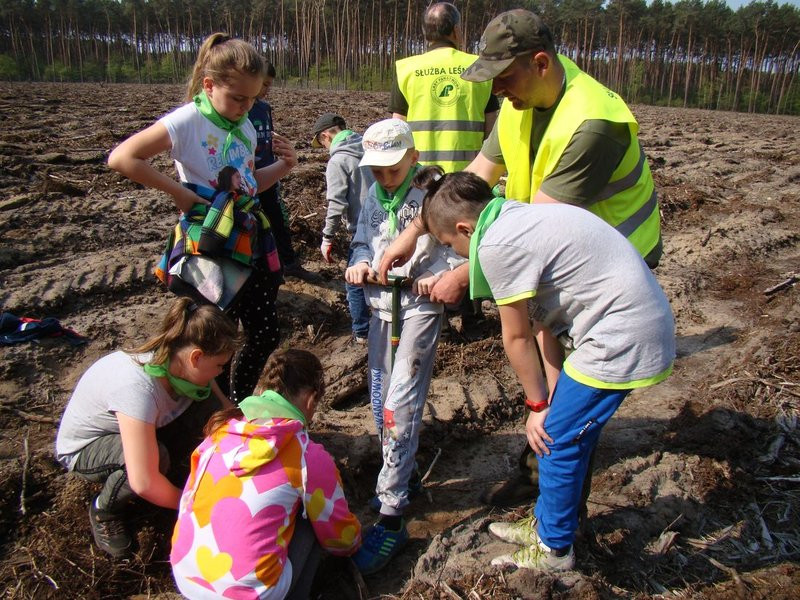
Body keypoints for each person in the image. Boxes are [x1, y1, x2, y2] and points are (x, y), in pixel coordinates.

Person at [379, 8, 665, 507]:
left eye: (503, 79)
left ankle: (555, 489)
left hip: (609, 270)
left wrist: (464, 274)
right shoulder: (519, 101)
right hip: (552, 254)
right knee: (548, 359)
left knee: (575, 387)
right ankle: (546, 468)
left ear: (539, 63)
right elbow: (478, 175)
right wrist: (418, 228)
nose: (498, 92)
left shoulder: (592, 122)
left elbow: (533, 235)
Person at [414, 166, 675, 571]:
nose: (456, 257)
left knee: (555, 439)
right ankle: (548, 522)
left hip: (620, 336)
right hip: (616, 325)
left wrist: (538, 408)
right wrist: (549, 398)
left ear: (464, 228)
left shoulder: (498, 245)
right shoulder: (517, 217)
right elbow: (544, 325)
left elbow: (517, 337)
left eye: (450, 245)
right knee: (564, 431)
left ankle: (554, 550)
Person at [108, 33, 297, 404]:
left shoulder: (241, 125)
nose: (246, 107)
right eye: (238, 98)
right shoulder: (188, 120)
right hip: (211, 245)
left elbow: (248, 183)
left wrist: (285, 166)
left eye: (253, 99)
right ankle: (209, 406)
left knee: (264, 331)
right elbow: (123, 158)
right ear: (209, 85)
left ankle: (235, 400)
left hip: (248, 238)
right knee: (214, 335)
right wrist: (180, 193)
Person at [345, 119, 464, 575]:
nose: (383, 178)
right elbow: (361, 242)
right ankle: (405, 472)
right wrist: (359, 264)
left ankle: (392, 515)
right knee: (379, 405)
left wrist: (438, 274)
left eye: (392, 169)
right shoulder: (373, 195)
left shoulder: (433, 196)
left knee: (399, 408)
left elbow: (457, 246)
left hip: (416, 311)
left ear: (412, 157)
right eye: (376, 170)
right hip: (380, 311)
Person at [55, 297, 243, 558]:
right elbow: (143, 481)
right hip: (88, 447)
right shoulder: (138, 390)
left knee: (210, 409)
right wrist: (193, 504)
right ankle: (104, 510)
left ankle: (172, 471)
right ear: (196, 357)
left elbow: (222, 407)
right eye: (219, 366)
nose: (219, 372)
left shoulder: (179, 361)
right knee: (157, 461)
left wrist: (244, 430)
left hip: (143, 424)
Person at [170, 349, 362, 599]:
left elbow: (189, 500)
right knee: (313, 521)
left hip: (187, 578)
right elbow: (340, 539)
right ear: (311, 399)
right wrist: (357, 540)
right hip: (249, 594)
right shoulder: (306, 456)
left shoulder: (219, 433)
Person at [391, 2, 499, 173]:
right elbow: (492, 130)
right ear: (456, 30)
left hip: (419, 175)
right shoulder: (479, 67)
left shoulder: (407, 69)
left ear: (426, 33)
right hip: (468, 175)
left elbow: (397, 127)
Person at [312, 112, 375, 343]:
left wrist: (327, 237)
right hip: (386, 224)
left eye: (321, 142)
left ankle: (362, 332)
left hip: (361, 230)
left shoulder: (338, 161)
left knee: (355, 282)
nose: (324, 147)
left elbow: (337, 203)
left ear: (326, 135)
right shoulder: (371, 147)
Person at [249, 62, 311, 280]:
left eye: (269, 85)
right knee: (254, 225)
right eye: (263, 84)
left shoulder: (264, 109)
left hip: (269, 174)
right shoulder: (241, 108)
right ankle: (262, 270)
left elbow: (268, 134)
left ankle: (289, 263)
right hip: (249, 179)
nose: (266, 90)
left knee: (279, 220)